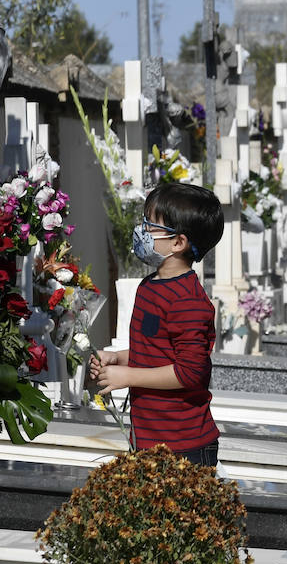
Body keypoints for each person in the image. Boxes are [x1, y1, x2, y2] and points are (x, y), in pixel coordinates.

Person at [90, 183, 225, 466]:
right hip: (147, 437)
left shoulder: (188, 301)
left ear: (178, 243)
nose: (142, 231)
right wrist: (117, 358)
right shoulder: (149, 286)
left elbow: (189, 373)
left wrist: (126, 377)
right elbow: (155, 352)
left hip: (183, 445)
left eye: (150, 226)